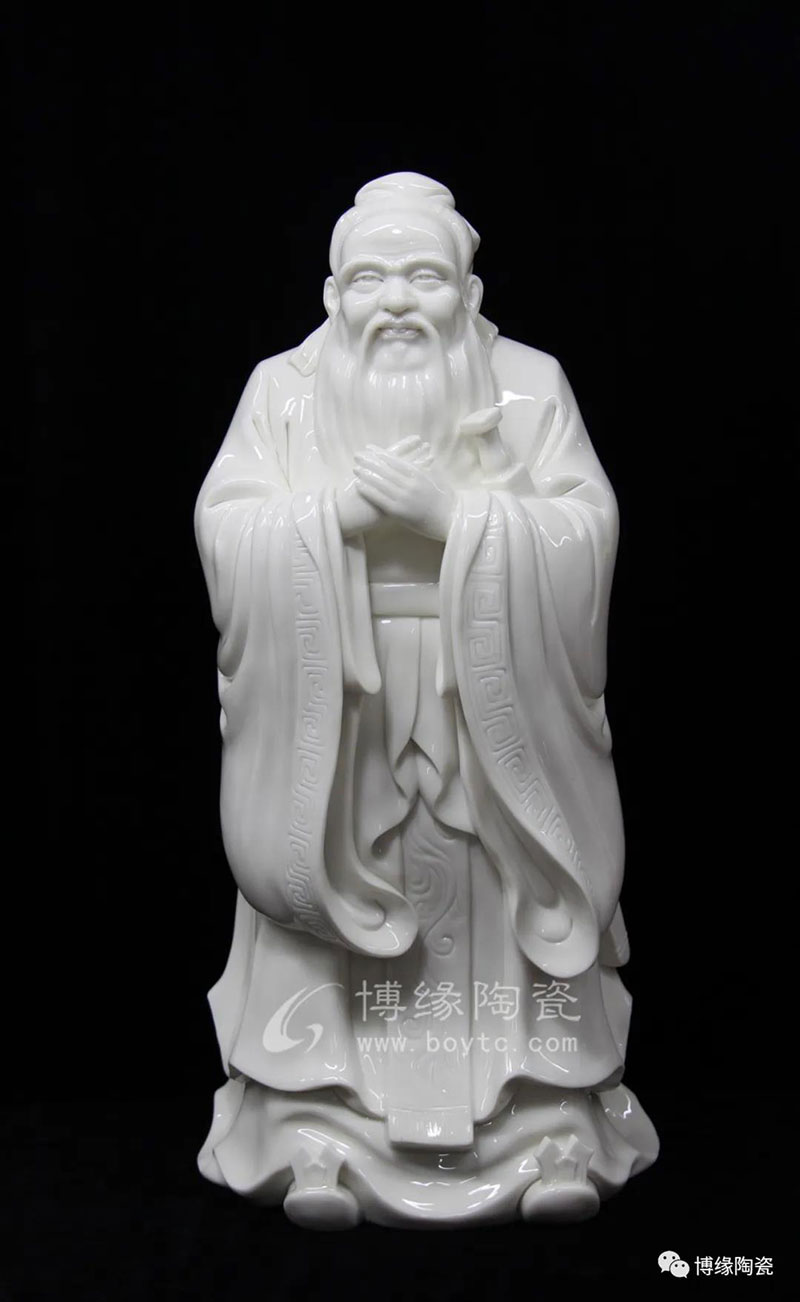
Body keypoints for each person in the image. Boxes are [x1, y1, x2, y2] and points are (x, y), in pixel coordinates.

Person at [194, 172, 658, 1228]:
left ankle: (545, 1121)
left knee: (507, 896)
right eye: (369, 279)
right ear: (332, 293)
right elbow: (227, 525)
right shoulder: (280, 392)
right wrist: (336, 516)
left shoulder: (529, 386)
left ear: (466, 289)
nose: (396, 301)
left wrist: (458, 515)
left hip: (485, 697)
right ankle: (312, 1124)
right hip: (335, 703)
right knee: (332, 904)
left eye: (422, 276)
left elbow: (584, 529)